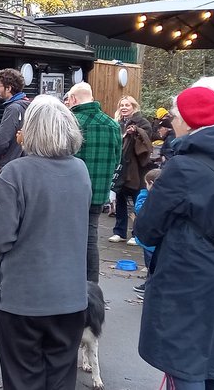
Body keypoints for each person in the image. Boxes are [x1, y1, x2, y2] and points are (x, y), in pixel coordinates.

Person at [136, 86, 214, 389]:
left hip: (190, 278)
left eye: (176, 115)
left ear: (190, 121)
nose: (172, 121)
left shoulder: (183, 166)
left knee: (185, 362)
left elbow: (147, 229)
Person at [0, 95, 91, 390]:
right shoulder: (80, 171)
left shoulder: (15, 173)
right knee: (60, 379)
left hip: (22, 298)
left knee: (22, 380)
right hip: (70, 297)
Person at [65, 82, 121, 283]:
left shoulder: (70, 122)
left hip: (69, 192)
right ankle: (91, 285)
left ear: (72, 99)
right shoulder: (112, 125)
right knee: (90, 238)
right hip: (98, 192)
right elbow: (117, 158)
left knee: (65, 237)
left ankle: (69, 281)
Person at [109, 96, 152, 244]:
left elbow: (147, 141)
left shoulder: (143, 123)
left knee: (137, 201)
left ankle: (137, 234)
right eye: (122, 105)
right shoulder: (117, 124)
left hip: (136, 169)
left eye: (127, 105)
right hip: (120, 167)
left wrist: (136, 132)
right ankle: (119, 232)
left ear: (134, 106)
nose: (124, 107)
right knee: (120, 200)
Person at [0, 68, 30, 170]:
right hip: (25, 164)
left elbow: (2, 140)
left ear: (8, 88)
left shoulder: (13, 109)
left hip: (10, 166)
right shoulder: (28, 106)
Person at [131, 168, 161, 298]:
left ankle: (150, 288)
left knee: (152, 266)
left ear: (151, 183)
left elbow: (139, 209)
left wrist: (143, 193)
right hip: (156, 241)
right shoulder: (164, 197)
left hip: (149, 242)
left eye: (146, 184)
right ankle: (149, 285)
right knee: (153, 266)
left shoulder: (147, 197)